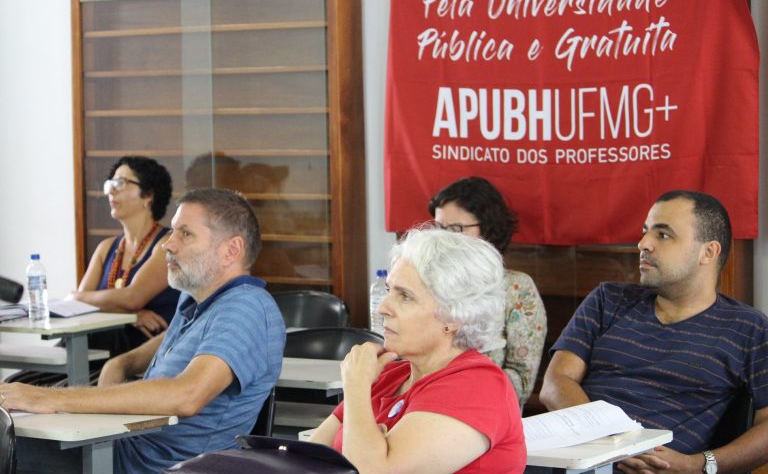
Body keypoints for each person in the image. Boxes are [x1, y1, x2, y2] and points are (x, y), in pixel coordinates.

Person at [1, 188, 286, 473]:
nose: (168, 244)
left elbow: (187, 396)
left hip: (150, 467)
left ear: (231, 250)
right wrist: (122, 362)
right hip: (119, 447)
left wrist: (45, 397)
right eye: (172, 231)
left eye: (185, 234)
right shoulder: (197, 298)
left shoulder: (246, 308)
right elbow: (185, 338)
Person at [540, 190, 768, 474]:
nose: (643, 244)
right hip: (574, 458)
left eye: (663, 235)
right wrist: (609, 443)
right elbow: (555, 383)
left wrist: (699, 465)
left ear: (707, 252)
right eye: (646, 232)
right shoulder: (607, 299)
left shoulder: (749, 328)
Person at [309, 228, 526, 474]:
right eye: (390, 290)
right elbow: (307, 461)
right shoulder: (388, 375)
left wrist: (356, 386)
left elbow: (372, 471)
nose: (383, 307)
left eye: (405, 297)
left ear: (453, 316)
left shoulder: (477, 385)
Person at [428, 176, 547, 406]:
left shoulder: (517, 290)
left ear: (488, 229)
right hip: (422, 402)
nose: (443, 239)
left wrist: (453, 388)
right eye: (439, 228)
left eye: (456, 229)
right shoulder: (425, 283)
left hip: (484, 411)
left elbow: (522, 382)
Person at [72, 156, 179, 354]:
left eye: (121, 183)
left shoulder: (167, 243)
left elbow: (132, 298)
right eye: (110, 184)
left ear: (148, 195)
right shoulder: (106, 248)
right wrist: (133, 315)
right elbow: (76, 305)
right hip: (100, 345)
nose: (112, 190)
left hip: (145, 352)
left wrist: (128, 309)